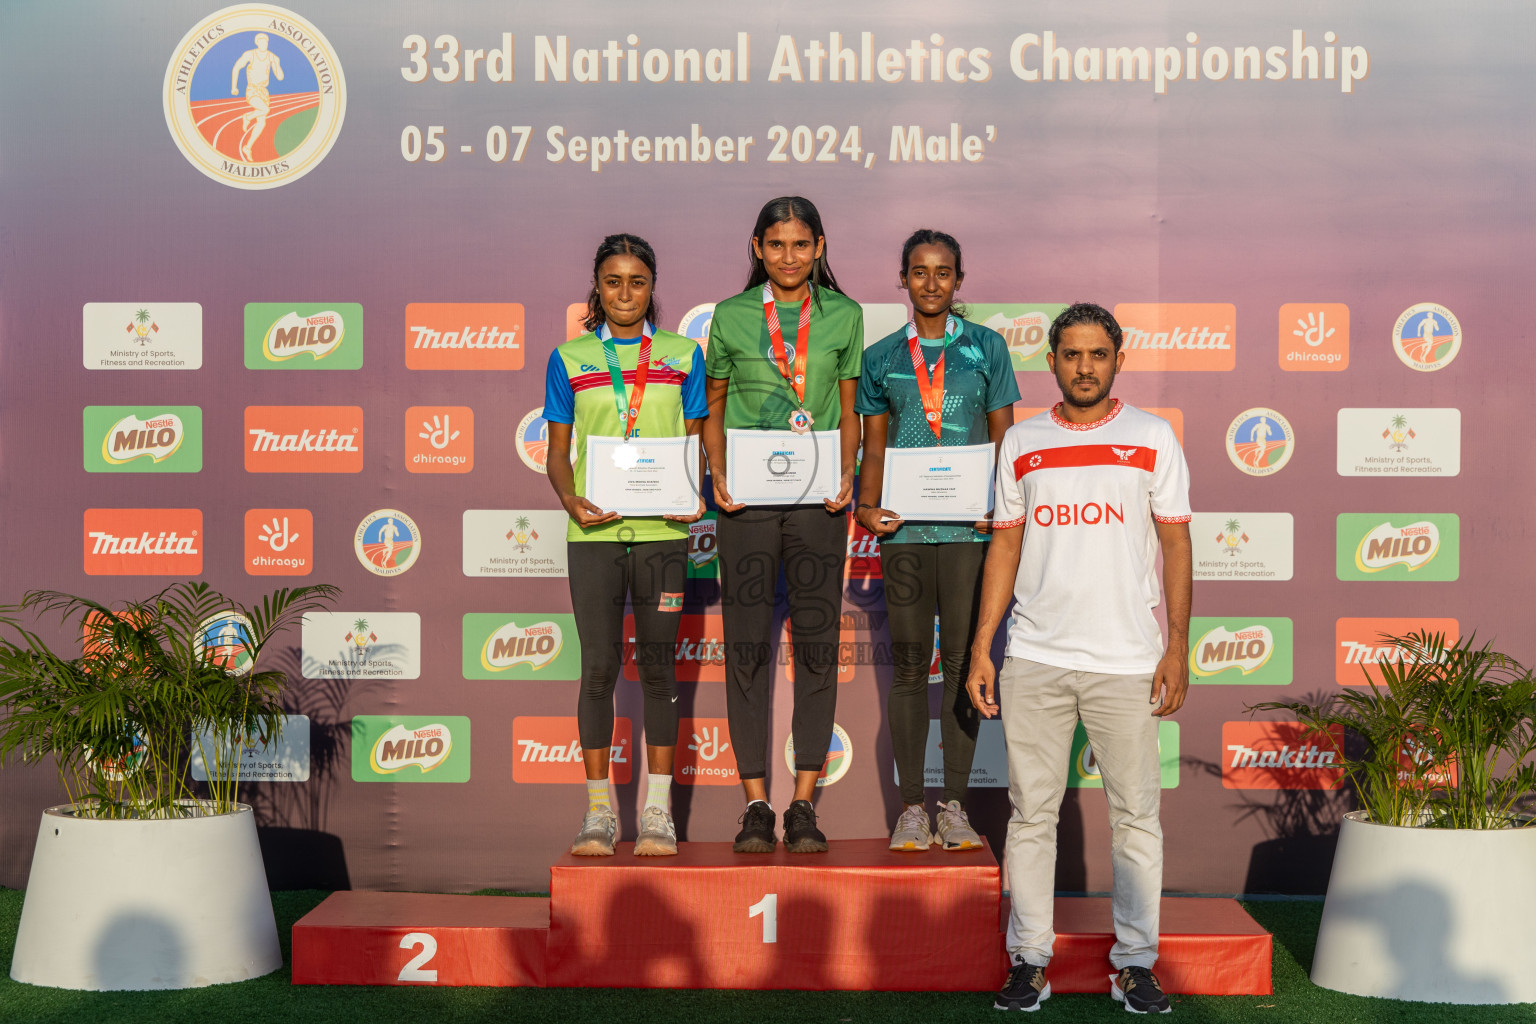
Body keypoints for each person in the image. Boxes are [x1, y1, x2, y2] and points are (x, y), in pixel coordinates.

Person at [966, 302, 1191, 1014]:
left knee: (1136, 818)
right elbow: (1003, 544)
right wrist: (982, 645)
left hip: (1127, 659)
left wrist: (1178, 645)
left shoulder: (1153, 437)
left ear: (1117, 359)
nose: (1084, 366)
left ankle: (1136, 962)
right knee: (1032, 815)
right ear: (1052, 361)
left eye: (1098, 354)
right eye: (1071, 354)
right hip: (1033, 656)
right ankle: (1029, 959)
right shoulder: (1023, 442)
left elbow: (1177, 544)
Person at [702, 196, 862, 854]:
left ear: (819, 246)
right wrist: (716, 475)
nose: (789, 257)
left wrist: (847, 473)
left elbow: (850, 409)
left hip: (820, 505)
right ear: (757, 248)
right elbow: (712, 406)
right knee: (746, 650)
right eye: (776, 246)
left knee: (817, 648)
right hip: (746, 506)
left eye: (801, 245)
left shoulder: (843, 316)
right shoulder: (732, 316)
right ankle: (755, 804)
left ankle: (802, 803)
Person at [853, 229, 1018, 852]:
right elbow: (874, 445)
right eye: (919, 272)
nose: (931, 282)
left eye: (943, 272)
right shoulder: (882, 357)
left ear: (959, 280)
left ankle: (954, 806)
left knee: (959, 667)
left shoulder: (986, 349)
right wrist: (867, 508)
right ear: (903, 279)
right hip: (905, 534)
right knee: (907, 668)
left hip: (970, 533)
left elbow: (1006, 440)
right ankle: (912, 810)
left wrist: (1001, 508)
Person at [544, 233, 707, 857]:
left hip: (664, 536)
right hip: (593, 536)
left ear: (652, 287)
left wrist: (694, 491)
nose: (625, 293)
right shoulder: (570, 358)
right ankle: (597, 815)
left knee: (661, 671)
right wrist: (569, 499)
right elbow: (558, 454)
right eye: (613, 281)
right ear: (597, 285)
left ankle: (658, 813)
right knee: (597, 669)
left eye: (637, 282)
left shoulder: (684, 355)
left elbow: (692, 442)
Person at [231, 33, 284, 162]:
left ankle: (248, 147)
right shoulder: (250, 54)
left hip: (264, 92)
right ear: (257, 43)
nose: (263, 44)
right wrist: (234, 87)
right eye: (261, 42)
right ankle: (247, 117)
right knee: (265, 110)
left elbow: (280, 77)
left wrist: (277, 64)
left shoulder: (272, 57)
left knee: (262, 122)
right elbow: (236, 67)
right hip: (252, 90)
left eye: (265, 42)